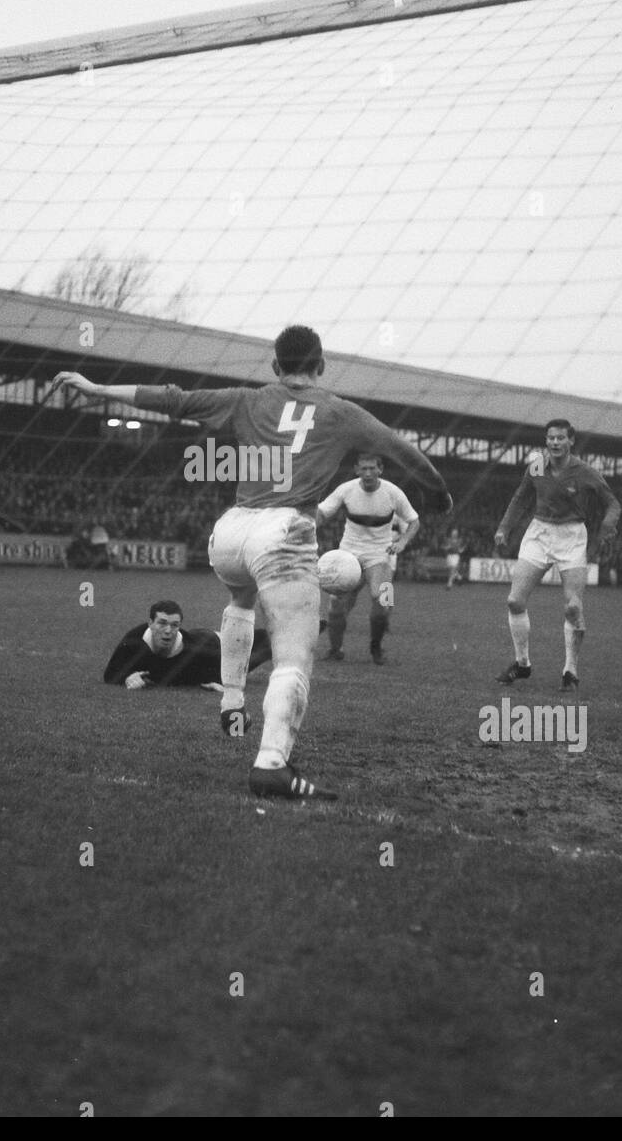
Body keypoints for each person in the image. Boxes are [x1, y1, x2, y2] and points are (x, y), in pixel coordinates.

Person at [53, 325, 452, 801]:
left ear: (275, 367)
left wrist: (97, 388)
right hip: (282, 532)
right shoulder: (341, 412)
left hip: (230, 532)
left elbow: (172, 399)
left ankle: (233, 700)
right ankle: (271, 765)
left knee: (241, 601)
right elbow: (401, 449)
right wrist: (438, 493)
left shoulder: (247, 399)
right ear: (321, 366)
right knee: (294, 652)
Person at [492, 419, 621, 692]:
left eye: (560, 438)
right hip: (539, 533)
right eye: (550, 438)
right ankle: (522, 664)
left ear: (571, 440)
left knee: (573, 607)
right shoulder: (537, 465)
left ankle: (570, 671)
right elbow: (520, 498)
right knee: (514, 600)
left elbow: (612, 504)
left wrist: (608, 526)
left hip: (572, 537)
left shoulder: (585, 472)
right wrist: (504, 528)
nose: (554, 443)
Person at [317, 454, 420, 664]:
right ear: (356, 469)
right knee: (336, 607)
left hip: (380, 555)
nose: (367, 473)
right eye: (363, 468)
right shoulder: (346, 489)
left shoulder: (393, 493)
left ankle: (377, 648)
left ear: (380, 469)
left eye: (372, 468)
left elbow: (414, 521)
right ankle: (335, 650)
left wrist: (403, 542)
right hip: (348, 554)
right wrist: (309, 529)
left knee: (384, 601)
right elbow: (321, 512)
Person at [104, 599, 274, 690]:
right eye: (162, 623)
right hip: (198, 637)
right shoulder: (134, 640)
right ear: (150, 623)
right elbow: (111, 673)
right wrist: (127, 678)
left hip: (212, 642)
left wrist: (216, 682)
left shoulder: (194, 653)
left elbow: (225, 675)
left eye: (174, 625)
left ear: (179, 626)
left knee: (254, 652)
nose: (168, 630)